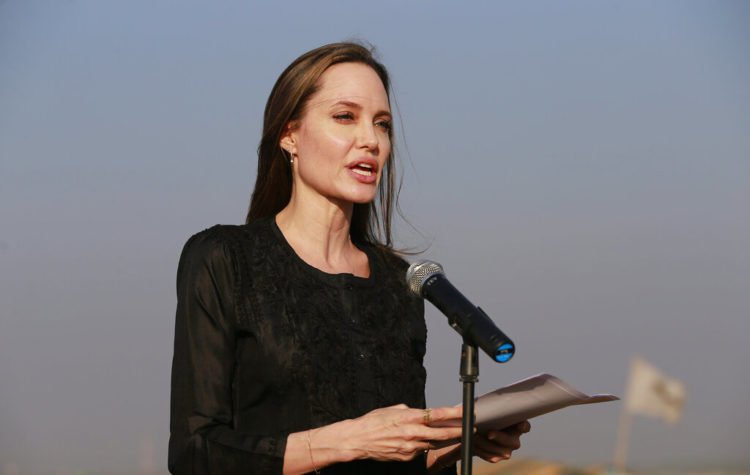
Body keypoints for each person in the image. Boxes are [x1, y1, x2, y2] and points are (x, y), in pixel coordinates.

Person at [168, 41, 530, 475]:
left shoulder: (402, 283)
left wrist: (455, 443)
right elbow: (194, 452)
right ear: (289, 134)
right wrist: (347, 440)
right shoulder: (225, 259)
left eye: (383, 124)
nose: (371, 140)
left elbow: (391, 453)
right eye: (345, 117)